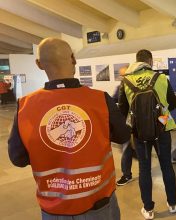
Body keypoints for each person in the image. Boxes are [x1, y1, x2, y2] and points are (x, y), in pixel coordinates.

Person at [8, 38, 130, 220]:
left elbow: (17, 158)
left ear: (39, 64)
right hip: (99, 204)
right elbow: (123, 135)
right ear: (73, 58)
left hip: (54, 209)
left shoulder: (25, 106)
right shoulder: (100, 100)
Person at [118, 49, 176, 220]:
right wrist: (160, 116)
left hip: (139, 132)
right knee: (167, 166)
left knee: (144, 169)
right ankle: (172, 203)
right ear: (150, 61)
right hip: (162, 128)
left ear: (136, 61)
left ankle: (148, 209)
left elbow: (122, 110)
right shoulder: (160, 78)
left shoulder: (126, 81)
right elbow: (172, 104)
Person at [113, 65, 136, 186]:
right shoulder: (121, 87)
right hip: (130, 123)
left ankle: (127, 175)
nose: (122, 78)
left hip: (132, 123)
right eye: (121, 76)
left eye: (124, 75)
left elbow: (121, 106)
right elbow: (114, 100)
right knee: (128, 149)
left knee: (127, 149)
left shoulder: (128, 86)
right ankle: (127, 174)